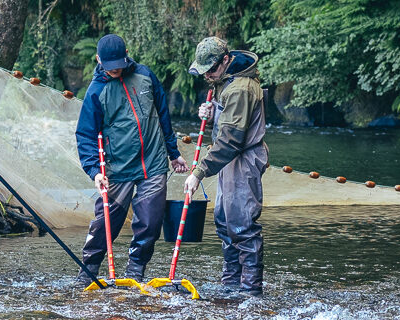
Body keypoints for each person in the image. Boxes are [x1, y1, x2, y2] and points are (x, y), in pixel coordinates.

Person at [74, 34, 189, 285]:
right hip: (117, 167)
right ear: (98, 60)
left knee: (150, 221)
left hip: (154, 162)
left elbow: (163, 116)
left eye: (119, 64)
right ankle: (89, 271)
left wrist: (174, 153)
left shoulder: (145, 76)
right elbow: (85, 135)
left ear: (127, 53)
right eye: (110, 66)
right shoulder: (97, 91)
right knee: (106, 223)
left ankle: (136, 269)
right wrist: (95, 171)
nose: (115, 70)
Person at [183, 37, 268, 296]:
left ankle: (250, 292)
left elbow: (231, 140)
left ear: (226, 60)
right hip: (230, 162)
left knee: (242, 225)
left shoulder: (240, 88)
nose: (207, 75)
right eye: (204, 70)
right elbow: (227, 125)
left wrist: (198, 173)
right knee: (224, 221)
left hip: (243, 160)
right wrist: (212, 115)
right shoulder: (226, 82)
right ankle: (231, 284)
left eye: (211, 69)